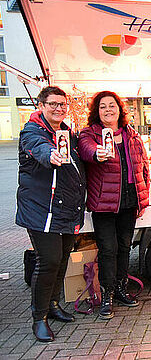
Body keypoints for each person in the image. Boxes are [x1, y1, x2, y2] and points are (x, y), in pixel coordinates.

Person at [16, 86, 86, 342]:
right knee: (49, 261)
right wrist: (51, 155)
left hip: (65, 209)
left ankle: (54, 305)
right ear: (41, 105)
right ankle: (39, 318)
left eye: (62, 104)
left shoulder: (66, 132)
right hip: (41, 210)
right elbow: (39, 149)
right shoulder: (32, 131)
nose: (58, 108)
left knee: (63, 257)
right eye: (53, 104)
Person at [78, 91, 150, 319]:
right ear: (96, 111)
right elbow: (86, 150)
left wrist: (143, 196)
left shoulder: (132, 135)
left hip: (129, 200)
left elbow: (144, 167)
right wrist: (97, 153)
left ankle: (121, 288)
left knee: (124, 247)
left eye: (112, 105)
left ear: (119, 109)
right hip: (104, 204)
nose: (108, 110)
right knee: (108, 249)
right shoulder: (90, 134)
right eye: (102, 106)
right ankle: (107, 295)